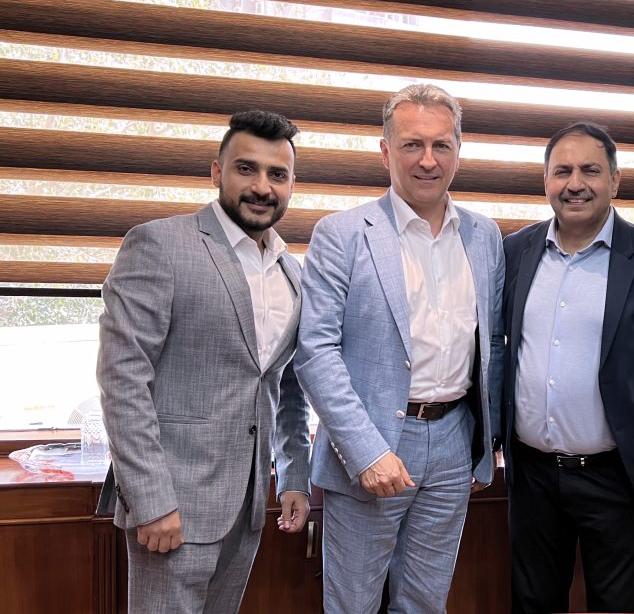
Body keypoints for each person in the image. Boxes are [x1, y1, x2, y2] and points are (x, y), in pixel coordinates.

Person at [294, 83, 504, 613]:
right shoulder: (341, 234)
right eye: (412, 144)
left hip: (454, 443)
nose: (427, 160)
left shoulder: (485, 236)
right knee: (353, 605)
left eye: (441, 145)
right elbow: (315, 351)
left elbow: (492, 347)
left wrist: (484, 446)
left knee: (425, 604)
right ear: (386, 151)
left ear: (459, 151)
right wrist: (367, 452)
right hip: (373, 443)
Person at [96, 110, 312, 613]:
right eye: (246, 169)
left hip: (247, 507)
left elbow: (286, 388)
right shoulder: (160, 244)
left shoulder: (292, 272)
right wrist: (151, 501)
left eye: (277, 174)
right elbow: (123, 380)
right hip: (172, 506)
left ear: (291, 185)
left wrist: (294, 474)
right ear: (217, 172)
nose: (262, 187)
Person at [500, 122, 634, 614]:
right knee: (532, 604)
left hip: (618, 477)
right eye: (562, 171)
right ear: (545, 181)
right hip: (532, 477)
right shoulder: (515, 252)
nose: (575, 184)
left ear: (615, 180)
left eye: (590, 170)